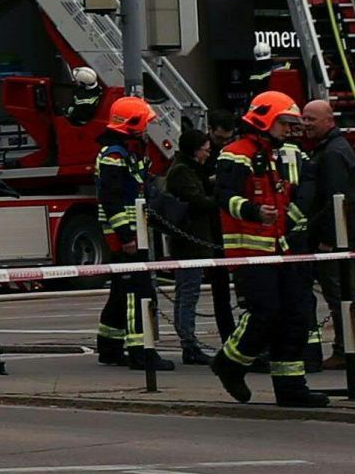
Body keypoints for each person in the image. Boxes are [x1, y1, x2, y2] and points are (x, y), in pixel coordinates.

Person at [210, 90, 324, 407]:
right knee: (265, 315)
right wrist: (252, 211)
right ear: (264, 119)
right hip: (251, 252)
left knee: (296, 316)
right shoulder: (236, 154)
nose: (289, 130)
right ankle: (229, 363)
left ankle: (291, 387)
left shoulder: (282, 155)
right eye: (284, 123)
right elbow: (223, 196)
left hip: (285, 250)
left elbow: (299, 191)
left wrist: (290, 222)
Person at [90, 96, 165, 371]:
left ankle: (109, 348)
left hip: (133, 233)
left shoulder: (126, 152)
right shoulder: (114, 155)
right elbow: (111, 199)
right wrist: (126, 236)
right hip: (127, 236)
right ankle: (141, 352)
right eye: (144, 124)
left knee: (121, 292)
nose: (147, 130)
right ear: (131, 124)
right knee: (138, 293)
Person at [292, 97, 355, 381]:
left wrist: (329, 240)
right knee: (343, 294)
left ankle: (349, 350)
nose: (305, 124)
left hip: (337, 238)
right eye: (304, 118)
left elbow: (335, 199)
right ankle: (351, 349)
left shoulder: (332, 153)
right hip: (339, 234)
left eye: (311, 119)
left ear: (329, 121)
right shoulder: (329, 148)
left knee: (341, 295)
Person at [159, 127, 234, 365]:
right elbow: (197, 201)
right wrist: (221, 199)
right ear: (194, 150)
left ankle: (188, 342)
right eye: (205, 150)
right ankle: (189, 345)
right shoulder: (182, 172)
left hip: (193, 240)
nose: (207, 154)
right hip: (189, 242)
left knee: (187, 291)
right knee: (188, 293)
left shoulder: (188, 170)